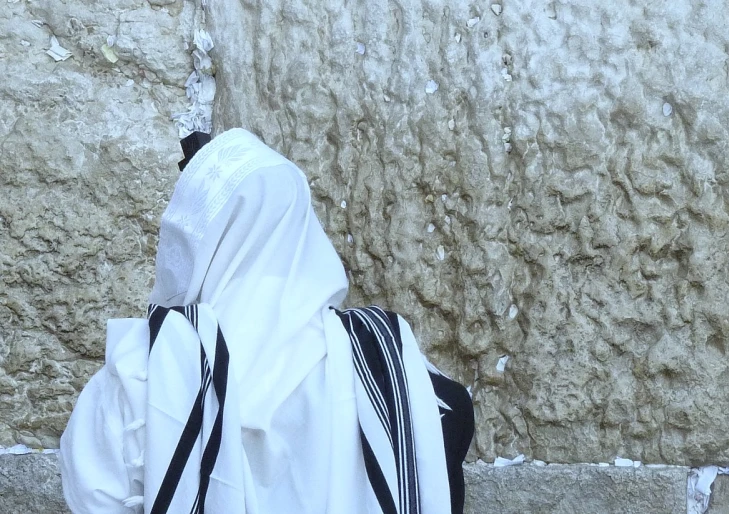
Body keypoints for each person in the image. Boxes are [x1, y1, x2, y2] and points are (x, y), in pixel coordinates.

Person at [60, 128, 474, 513]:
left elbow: (94, 493)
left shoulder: (138, 378)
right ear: (302, 224)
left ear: (189, 242)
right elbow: (449, 418)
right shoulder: (391, 374)